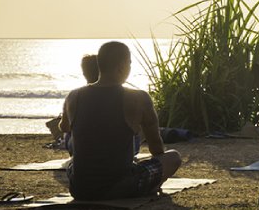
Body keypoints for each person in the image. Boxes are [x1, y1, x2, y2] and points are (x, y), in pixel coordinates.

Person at [59, 41, 181, 200]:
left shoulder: (74, 96)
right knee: (173, 157)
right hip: (121, 188)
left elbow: (64, 127)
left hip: (80, 189)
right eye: (129, 64)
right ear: (122, 67)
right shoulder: (138, 98)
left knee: (73, 162)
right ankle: (152, 185)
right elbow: (157, 148)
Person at [46, 54, 99, 144]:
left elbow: (64, 127)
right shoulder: (122, 95)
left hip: (84, 147)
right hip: (115, 148)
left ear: (84, 73)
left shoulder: (74, 96)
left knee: (68, 135)